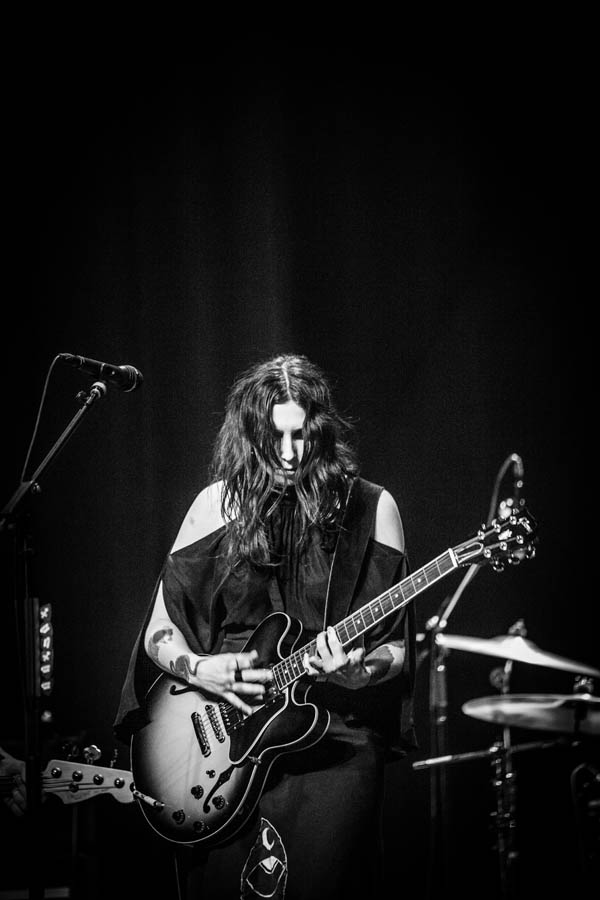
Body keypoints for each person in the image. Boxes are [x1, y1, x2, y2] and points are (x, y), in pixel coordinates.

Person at [114, 353, 417, 899]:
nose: (287, 452)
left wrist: (358, 671)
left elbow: (395, 648)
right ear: (248, 433)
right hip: (222, 743)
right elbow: (161, 629)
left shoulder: (372, 508)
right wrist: (202, 667)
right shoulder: (216, 506)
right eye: (272, 435)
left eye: (300, 435)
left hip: (335, 735)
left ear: (320, 431)